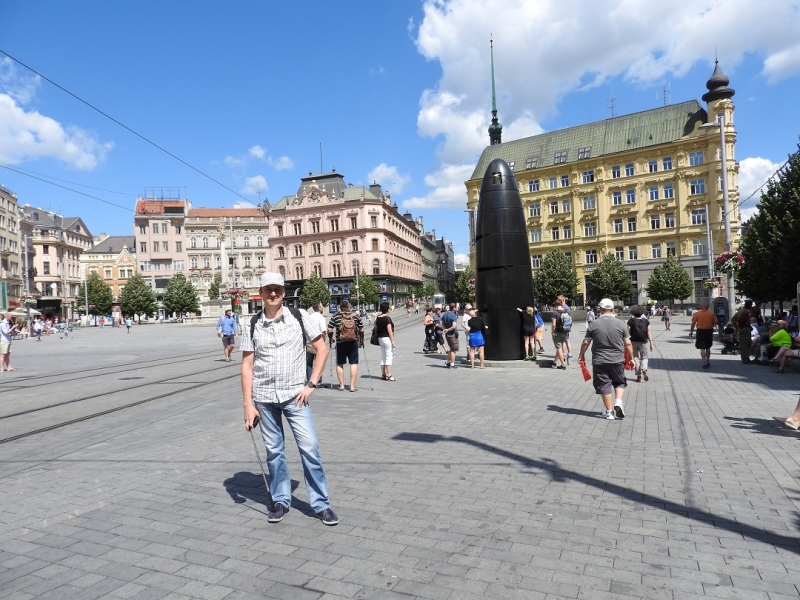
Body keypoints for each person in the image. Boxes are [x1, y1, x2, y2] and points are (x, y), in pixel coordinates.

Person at [240, 272, 337, 526]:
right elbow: (247, 366)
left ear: (284, 292)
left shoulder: (299, 317)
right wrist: (248, 405)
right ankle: (281, 500)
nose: (273, 294)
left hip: (295, 396)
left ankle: (321, 504)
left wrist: (311, 383)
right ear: (260, 293)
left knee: (310, 448)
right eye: (268, 289)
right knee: (274, 452)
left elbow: (322, 349)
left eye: (278, 290)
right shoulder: (251, 324)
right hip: (263, 397)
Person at [578, 298, 634, 420]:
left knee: (604, 384)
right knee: (619, 382)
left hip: (599, 360)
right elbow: (628, 344)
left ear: (601, 310)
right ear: (613, 309)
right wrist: (631, 358)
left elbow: (586, 342)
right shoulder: (620, 324)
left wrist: (581, 354)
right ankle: (618, 402)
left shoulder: (593, 324)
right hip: (617, 359)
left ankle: (609, 412)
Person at [327, 299, 364, 392]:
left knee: (340, 363)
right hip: (353, 342)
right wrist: (361, 340)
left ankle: (342, 385)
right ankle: (352, 386)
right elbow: (361, 329)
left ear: (340, 307)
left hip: (340, 342)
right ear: (349, 307)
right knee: (354, 363)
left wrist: (330, 338)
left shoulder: (335, 316)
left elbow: (330, 329)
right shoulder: (356, 316)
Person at [627, 305, 654, 382]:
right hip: (643, 342)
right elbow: (649, 333)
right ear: (642, 312)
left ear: (633, 312)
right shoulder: (646, 321)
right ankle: (644, 368)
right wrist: (651, 344)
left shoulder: (631, 321)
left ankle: (638, 376)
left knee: (635, 358)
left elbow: (627, 333)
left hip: (633, 342)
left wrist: (625, 343)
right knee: (644, 357)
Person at [689, 301, 718, 369]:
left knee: (702, 347)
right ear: (708, 307)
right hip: (709, 331)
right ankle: (708, 361)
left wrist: (691, 331)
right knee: (708, 347)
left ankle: (704, 362)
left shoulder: (696, 314)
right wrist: (712, 325)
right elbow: (716, 322)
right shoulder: (711, 314)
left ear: (701, 307)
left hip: (700, 331)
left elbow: (693, 323)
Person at [306, 302, 328, 385]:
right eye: (322, 306)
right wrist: (323, 342)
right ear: (319, 308)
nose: (322, 307)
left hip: (309, 342)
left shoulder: (309, 317)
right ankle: (317, 380)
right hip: (318, 342)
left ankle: (309, 380)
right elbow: (323, 331)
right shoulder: (321, 318)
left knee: (309, 362)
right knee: (319, 361)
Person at [376, 302, 397, 380]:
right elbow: (389, 330)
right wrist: (393, 341)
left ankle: (383, 374)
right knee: (389, 356)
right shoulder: (387, 318)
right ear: (387, 309)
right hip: (386, 338)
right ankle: (389, 375)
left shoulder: (378, 317)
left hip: (380, 338)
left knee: (383, 356)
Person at [550, 299, 568, 370]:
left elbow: (554, 324)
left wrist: (552, 332)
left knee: (559, 348)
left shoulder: (555, 312)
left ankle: (563, 365)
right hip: (565, 331)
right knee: (560, 346)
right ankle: (554, 361)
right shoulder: (565, 311)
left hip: (557, 332)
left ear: (556, 304)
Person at [441, 303, 460, 369]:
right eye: (456, 307)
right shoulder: (453, 315)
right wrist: (448, 329)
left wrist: (444, 329)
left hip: (447, 335)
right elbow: (454, 326)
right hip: (452, 334)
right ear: (454, 308)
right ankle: (452, 364)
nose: (457, 308)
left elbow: (442, 323)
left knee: (451, 348)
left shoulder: (445, 314)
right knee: (453, 350)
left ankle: (447, 361)